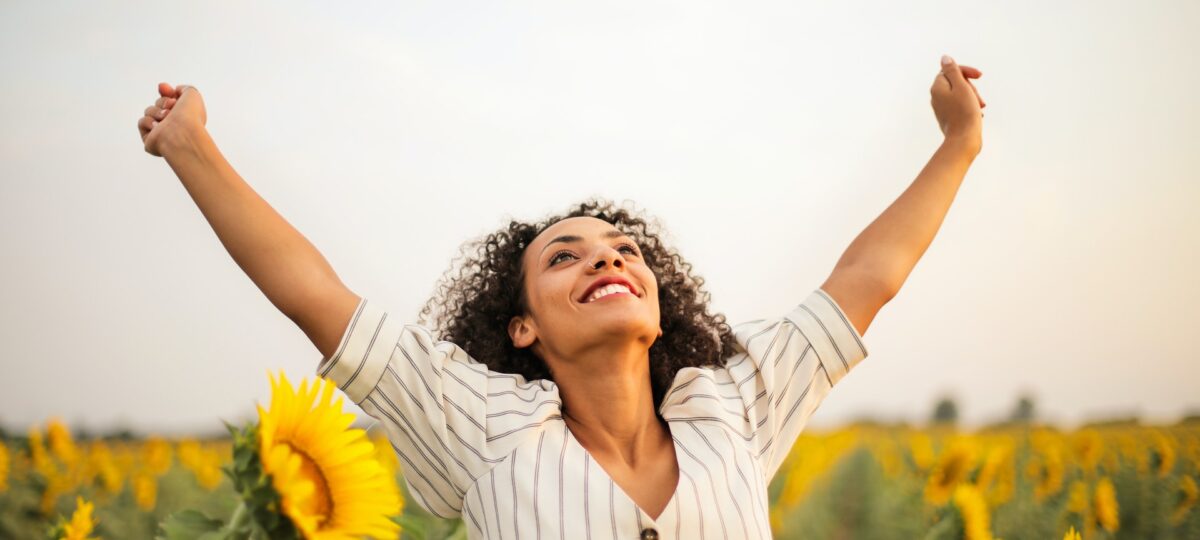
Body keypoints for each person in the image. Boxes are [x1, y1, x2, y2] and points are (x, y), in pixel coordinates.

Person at [138, 54, 984, 539]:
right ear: (522, 326)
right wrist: (191, 147)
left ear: (658, 305)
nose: (605, 261)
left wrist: (959, 143)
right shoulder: (482, 426)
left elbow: (866, 282)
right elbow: (315, 294)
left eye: (624, 251)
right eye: (564, 258)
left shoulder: (731, 402)